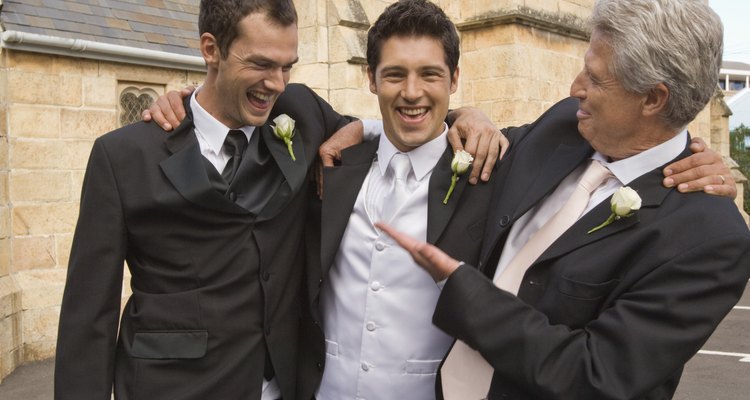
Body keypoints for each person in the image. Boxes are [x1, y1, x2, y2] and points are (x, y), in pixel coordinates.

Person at [379, 0, 750, 399]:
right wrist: (462, 117)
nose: (575, 88)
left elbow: (594, 376)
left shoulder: (708, 238)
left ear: (653, 99)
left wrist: (465, 291)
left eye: (595, 78)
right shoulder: (563, 123)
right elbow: (479, 143)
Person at [55, 1, 354, 399]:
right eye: (262, 64)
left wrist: (461, 120)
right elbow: (88, 316)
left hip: (283, 384)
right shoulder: (123, 157)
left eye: (287, 66)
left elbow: (396, 130)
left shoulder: (301, 111)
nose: (278, 83)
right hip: (173, 387)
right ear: (211, 49)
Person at [296, 1, 496, 399]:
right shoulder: (336, 161)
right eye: (394, 75)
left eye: (429, 74)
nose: (411, 92)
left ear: (454, 78)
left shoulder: (489, 173)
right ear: (370, 78)